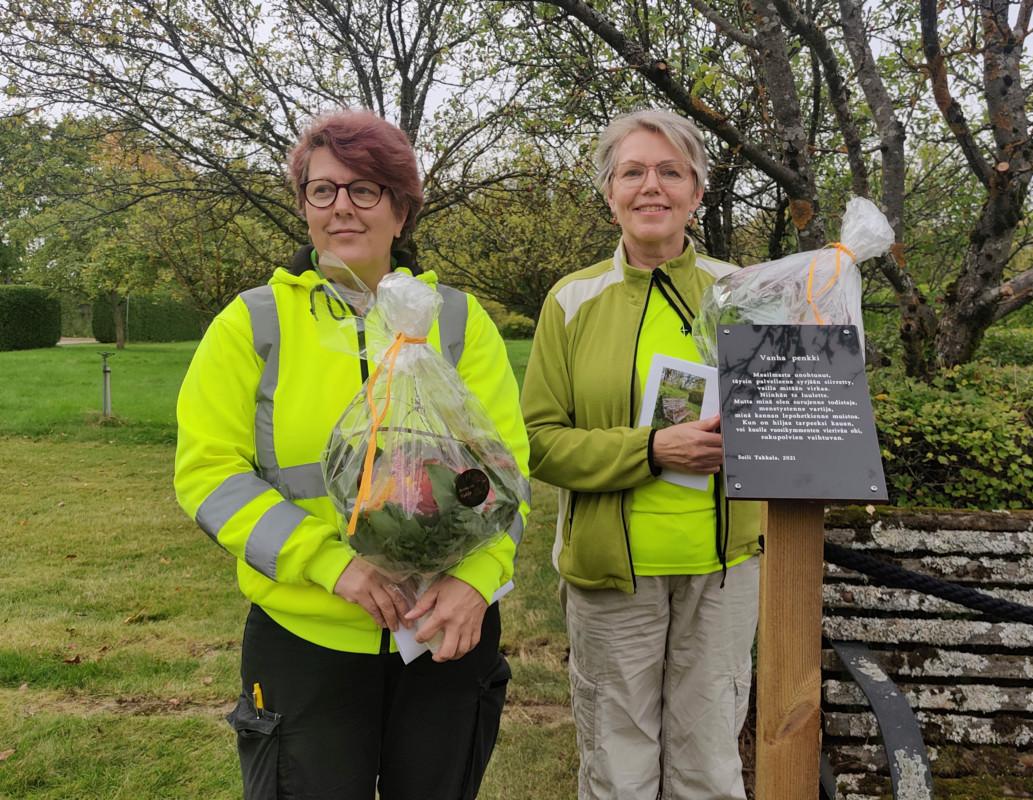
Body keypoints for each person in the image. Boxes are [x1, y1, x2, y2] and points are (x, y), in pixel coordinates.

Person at [174, 109, 529, 800]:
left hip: (445, 632)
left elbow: (507, 475)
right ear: (304, 207)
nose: (342, 207)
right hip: (306, 637)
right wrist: (331, 565)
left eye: (365, 190)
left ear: (401, 211)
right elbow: (208, 475)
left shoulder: (456, 320)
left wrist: (477, 582)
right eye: (323, 190)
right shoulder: (254, 323)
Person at [521, 109, 761, 799]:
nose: (651, 186)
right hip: (610, 573)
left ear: (697, 192)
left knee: (710, 765)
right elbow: (538, 441)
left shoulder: (742, 293)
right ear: (609, 191)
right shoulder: (571, 301)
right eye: (633, 172)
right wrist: (652, 449)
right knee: (618, 765)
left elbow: (782, 419)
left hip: (722, 569)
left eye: (670, 172)